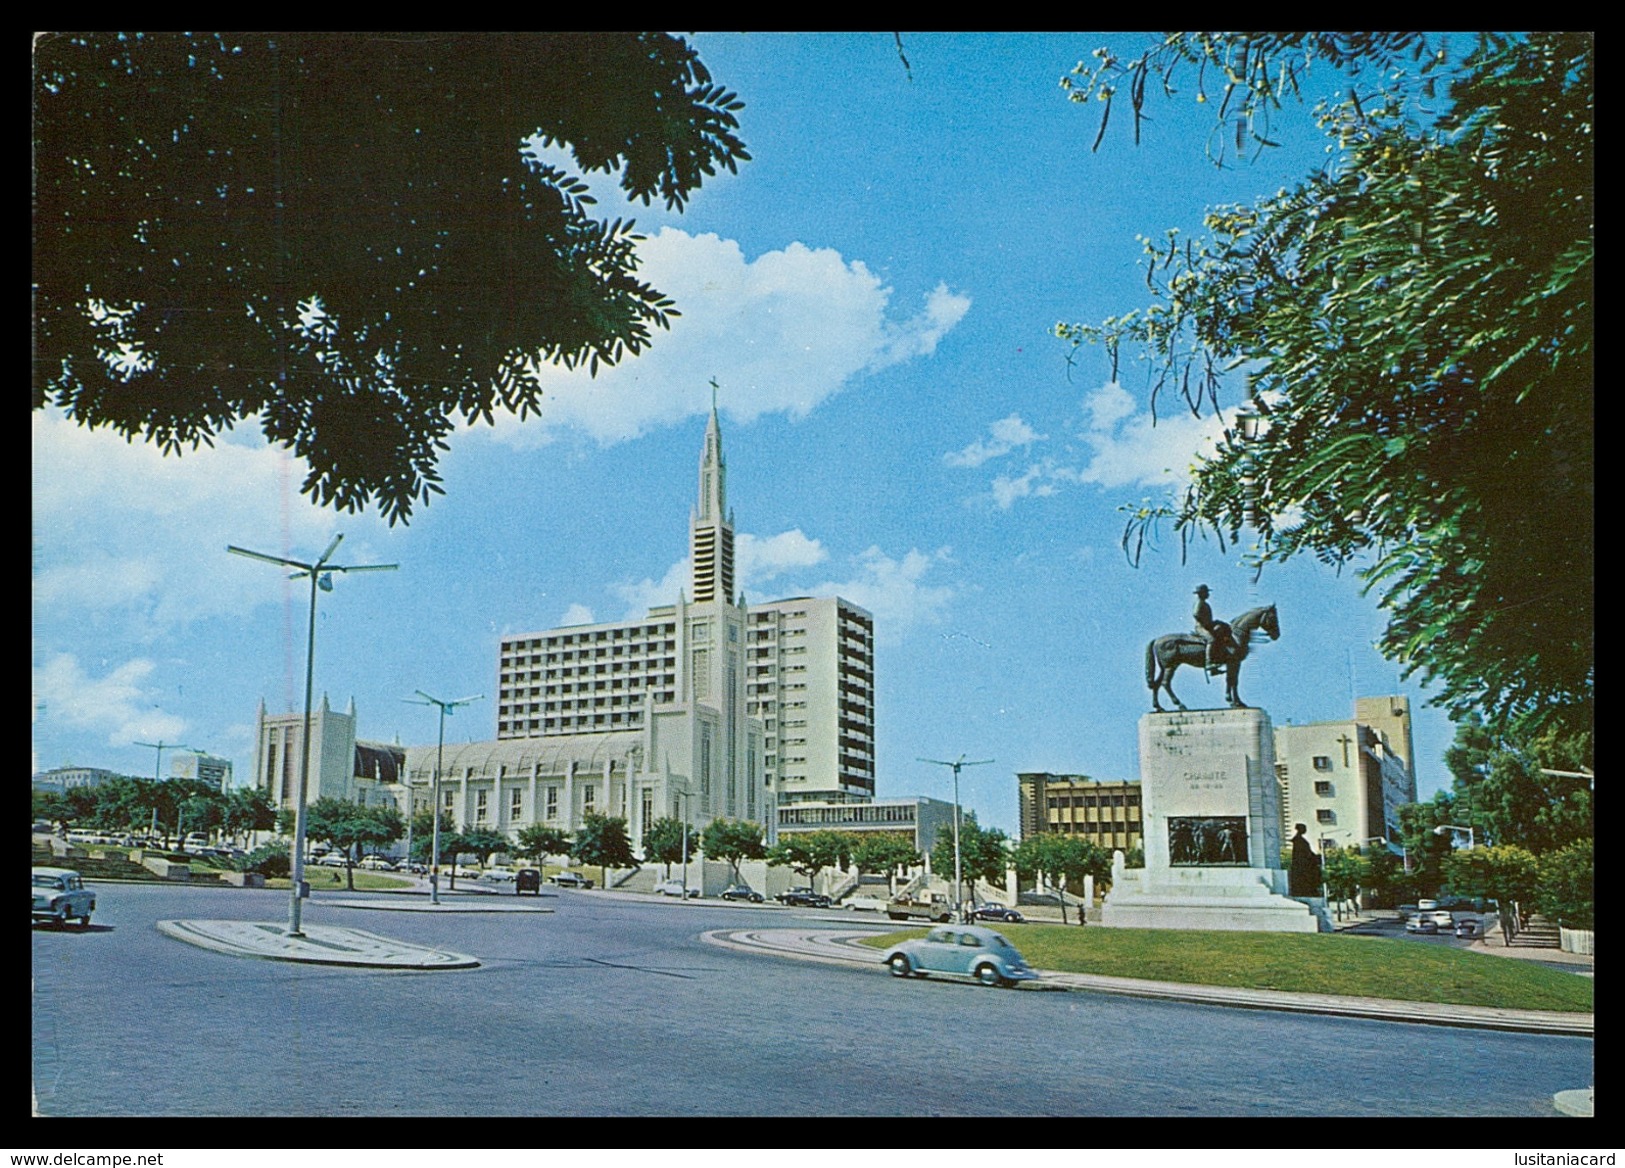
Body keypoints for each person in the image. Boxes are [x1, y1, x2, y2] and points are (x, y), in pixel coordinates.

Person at [1192, 584, 1222, 674]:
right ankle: (1209, 663)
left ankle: (1214, 667)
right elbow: (1196, 614)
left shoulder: (1205, 603)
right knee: (1211, 640)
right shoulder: (1199, 602)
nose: (1208, 594)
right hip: (1201, 627)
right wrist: (1205, 623)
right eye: (1206, 593)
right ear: (1202, 593)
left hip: (1206, 625)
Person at [1288, 823, 1322, 898]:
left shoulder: (1301, 839)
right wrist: (1314, 857)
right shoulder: (1299, 840)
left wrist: (1316, 857)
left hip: (1305, 863)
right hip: (1302, 865)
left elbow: (1308, 853)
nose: (1305, 830)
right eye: (1304, 828)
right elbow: (1305, 854)